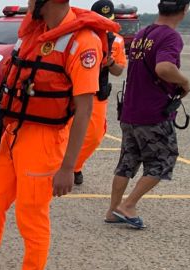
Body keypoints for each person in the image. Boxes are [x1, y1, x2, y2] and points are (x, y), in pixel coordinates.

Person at [0, 0, 117, 270]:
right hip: (11, 133)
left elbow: (84, 109)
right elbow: (10, 92)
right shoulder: (31, 34)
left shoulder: (83, 42)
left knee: (31, 213)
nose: (28, 3)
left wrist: (69, 166)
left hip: (44, 139)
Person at [107, 0, 189, 229]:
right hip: (153, 113)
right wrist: (185, 82)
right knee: (164, 160)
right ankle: (128, 205)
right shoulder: (171, 36)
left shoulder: (144, 33)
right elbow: (164, 68)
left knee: (127, 162)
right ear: (184, 10)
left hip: (131, 110)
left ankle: (113, 210)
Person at [73, 0, 127, 185]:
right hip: (74, 90)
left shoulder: (117, 40)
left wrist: (109, 62)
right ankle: (61, 166)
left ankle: (74, 166)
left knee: (95, 135)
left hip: (98, 93)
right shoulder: (79, 35)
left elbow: (119, 71)